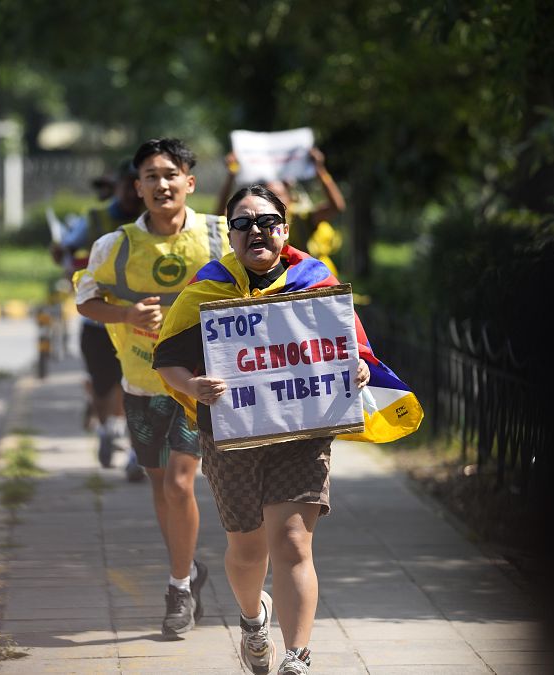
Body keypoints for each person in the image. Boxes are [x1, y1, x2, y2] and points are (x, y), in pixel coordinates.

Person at [154, 184, 422, 674]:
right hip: (232, 434)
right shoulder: (207, 289)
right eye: (241, 223)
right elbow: (167, 359)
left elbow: (354, 351)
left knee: (295, 543)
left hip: (304, 431)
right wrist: (193, 386)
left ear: (283, 229)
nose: (254, 231)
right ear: (229, 234)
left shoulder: (316, 281)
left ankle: (297, 657)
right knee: (247, 547)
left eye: (265, 222)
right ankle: (254, 621)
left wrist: (358, 368)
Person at [73, 137, 232, 636]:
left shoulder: (221, 236)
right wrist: (125, 314)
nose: (161, 184)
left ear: (189, 182)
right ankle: (187, 569)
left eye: (170, 174)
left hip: (195, 389)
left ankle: (178, 590)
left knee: (182, 483)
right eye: (150, 177)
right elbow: (84, 300)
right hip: (141, 385)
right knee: (162, 488)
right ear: (136, 188)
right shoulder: (114, 246)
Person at [62, 160, 144, 480]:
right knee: (102, 384)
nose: (132, 192)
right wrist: (68, 263)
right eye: (128, 184)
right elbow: (67, 249)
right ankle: (107, 430)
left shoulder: (156, 224)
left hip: (140, 324)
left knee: (136, 385)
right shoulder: (96, 219)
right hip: (97, 322)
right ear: (118, 185)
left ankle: (135, 450)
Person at [215, 146, 346, 261]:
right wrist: (231, 175)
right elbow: (220, 218)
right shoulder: (253, 223)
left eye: (277, 195)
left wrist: (320, 170)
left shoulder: (300, 218)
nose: (272, 201)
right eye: (267, 196)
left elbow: (336, 206)